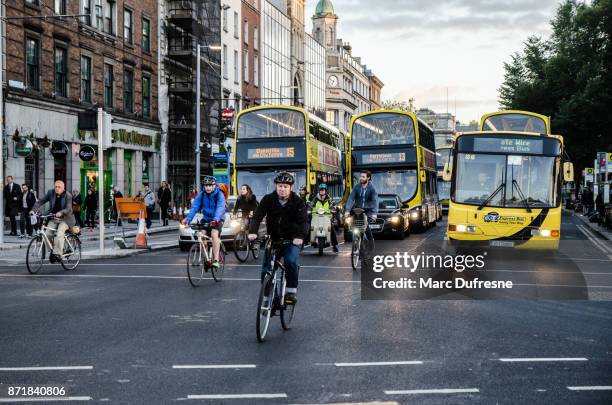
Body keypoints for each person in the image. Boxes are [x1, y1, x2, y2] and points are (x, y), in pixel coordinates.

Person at [248, 172, 309, 304]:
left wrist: (299, 237)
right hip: (274, 239)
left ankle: (291, 291)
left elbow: (304, 222)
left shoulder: (298, 202)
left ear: (290, 188)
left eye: (285, 186)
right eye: (280, 186)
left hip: (292, 240)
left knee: (290, 261)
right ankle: (266, 298)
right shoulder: (268, 199)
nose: (282, 189)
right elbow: (257, 216)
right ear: (276, 186)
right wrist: (253, 231)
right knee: (266, 268)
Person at [182, 176, 226, 269]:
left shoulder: (219, 194)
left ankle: (216, 260)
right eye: (206, 185)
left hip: (218, 218)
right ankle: (207, 259)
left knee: (214, 234)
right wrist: (188, 219)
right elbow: (195, 207)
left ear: (214, 186)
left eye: (210, 185)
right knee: (201, 236)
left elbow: (220, 207)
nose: (208, 188)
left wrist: (215, 219)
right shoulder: (201, 195)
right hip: (206, 218)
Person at [33, 180, 76, 263]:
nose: (57, 188)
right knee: (47, 234)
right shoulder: (51, 193)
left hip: (65, 219)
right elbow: (41, 201)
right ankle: (53, 251)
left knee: (59, 233)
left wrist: (61, 212)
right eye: (56, 186)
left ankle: (58, 253)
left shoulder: (68, 195)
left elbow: (68, 209)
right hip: (53, 218)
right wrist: (33, 210)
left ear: (63, 188)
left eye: (59, 187)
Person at [344, 170, 379, 241]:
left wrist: (374, 213)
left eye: (363, 177)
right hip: (357, 209)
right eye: (361, 176)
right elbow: (351, 198)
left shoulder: (372, 188)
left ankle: (370, 240)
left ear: (368, 178)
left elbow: (375, 201)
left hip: (368, 210)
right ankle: (355, 244)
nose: (361, 178)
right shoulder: (356, 187)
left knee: (365, 225)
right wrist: (347, 210)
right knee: (353, 224)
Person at [312, 183, 339, 253]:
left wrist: (333, 208)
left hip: (327, 217)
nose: (322, 191)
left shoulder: (329, 199)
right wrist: (309, 209)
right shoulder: (315, 199)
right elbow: (311, 205)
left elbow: (333, 205)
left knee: (332, 229)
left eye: (323, 190)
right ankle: (303, 244)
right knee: (310, 227)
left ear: (326, 191)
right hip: (317, 217)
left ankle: (334, 246)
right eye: (320, 190)